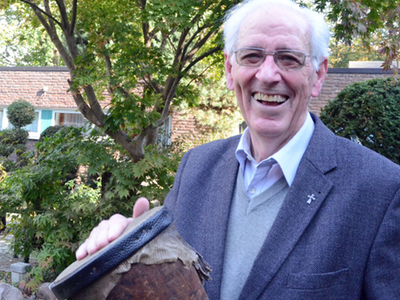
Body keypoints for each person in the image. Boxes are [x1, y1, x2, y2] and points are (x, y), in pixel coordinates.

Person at [76, 0, 400, 299]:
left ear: (318, 75)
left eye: (289, 58)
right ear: (231, 71)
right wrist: (127, 244)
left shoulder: (381, 191)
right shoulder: (196, 168)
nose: (268, 75)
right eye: (251, 56)